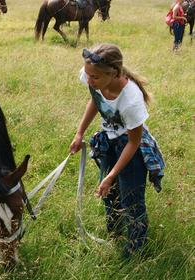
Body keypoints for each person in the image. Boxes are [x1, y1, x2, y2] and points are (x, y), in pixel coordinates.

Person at [69, 44, 165, 258]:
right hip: (109, 143)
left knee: (131, 199)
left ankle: (136, 249)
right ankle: (115, 233)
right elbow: (95, 100)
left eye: (94, 77)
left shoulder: (131, 100)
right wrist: (79, 133)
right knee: (109, 194)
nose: (89, 80)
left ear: (113, 74)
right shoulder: (93, 76)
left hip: (131, 149)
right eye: (87, 74)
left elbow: (134, 142)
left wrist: (111, 175)